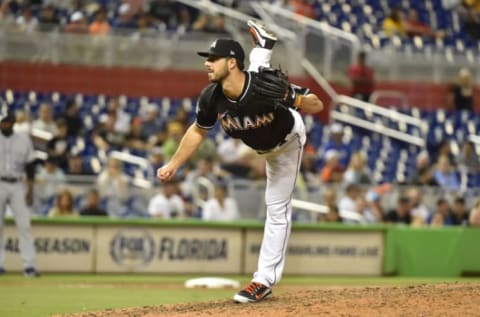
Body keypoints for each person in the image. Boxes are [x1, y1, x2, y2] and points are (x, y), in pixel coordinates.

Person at [156, 20, 323, 303]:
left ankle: (264, 280)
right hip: (259, 145)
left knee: (277, 208)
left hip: (287, 143)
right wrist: (174, 163)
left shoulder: (265, 87)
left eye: (213, 59)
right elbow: (198, 130)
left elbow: (317, 105)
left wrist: (289, 96)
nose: (207, 64)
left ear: (231, 62)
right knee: (254, 78)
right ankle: (264, 45)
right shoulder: (211, 97)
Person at [0, 111, 40, 277]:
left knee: (24, 225)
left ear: (13, 122)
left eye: (8, 121)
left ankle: (29, 266)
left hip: (17, 184)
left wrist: (30, 190)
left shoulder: (23, 139)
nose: (6, 124)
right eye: (3, 121)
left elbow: (30, 167)